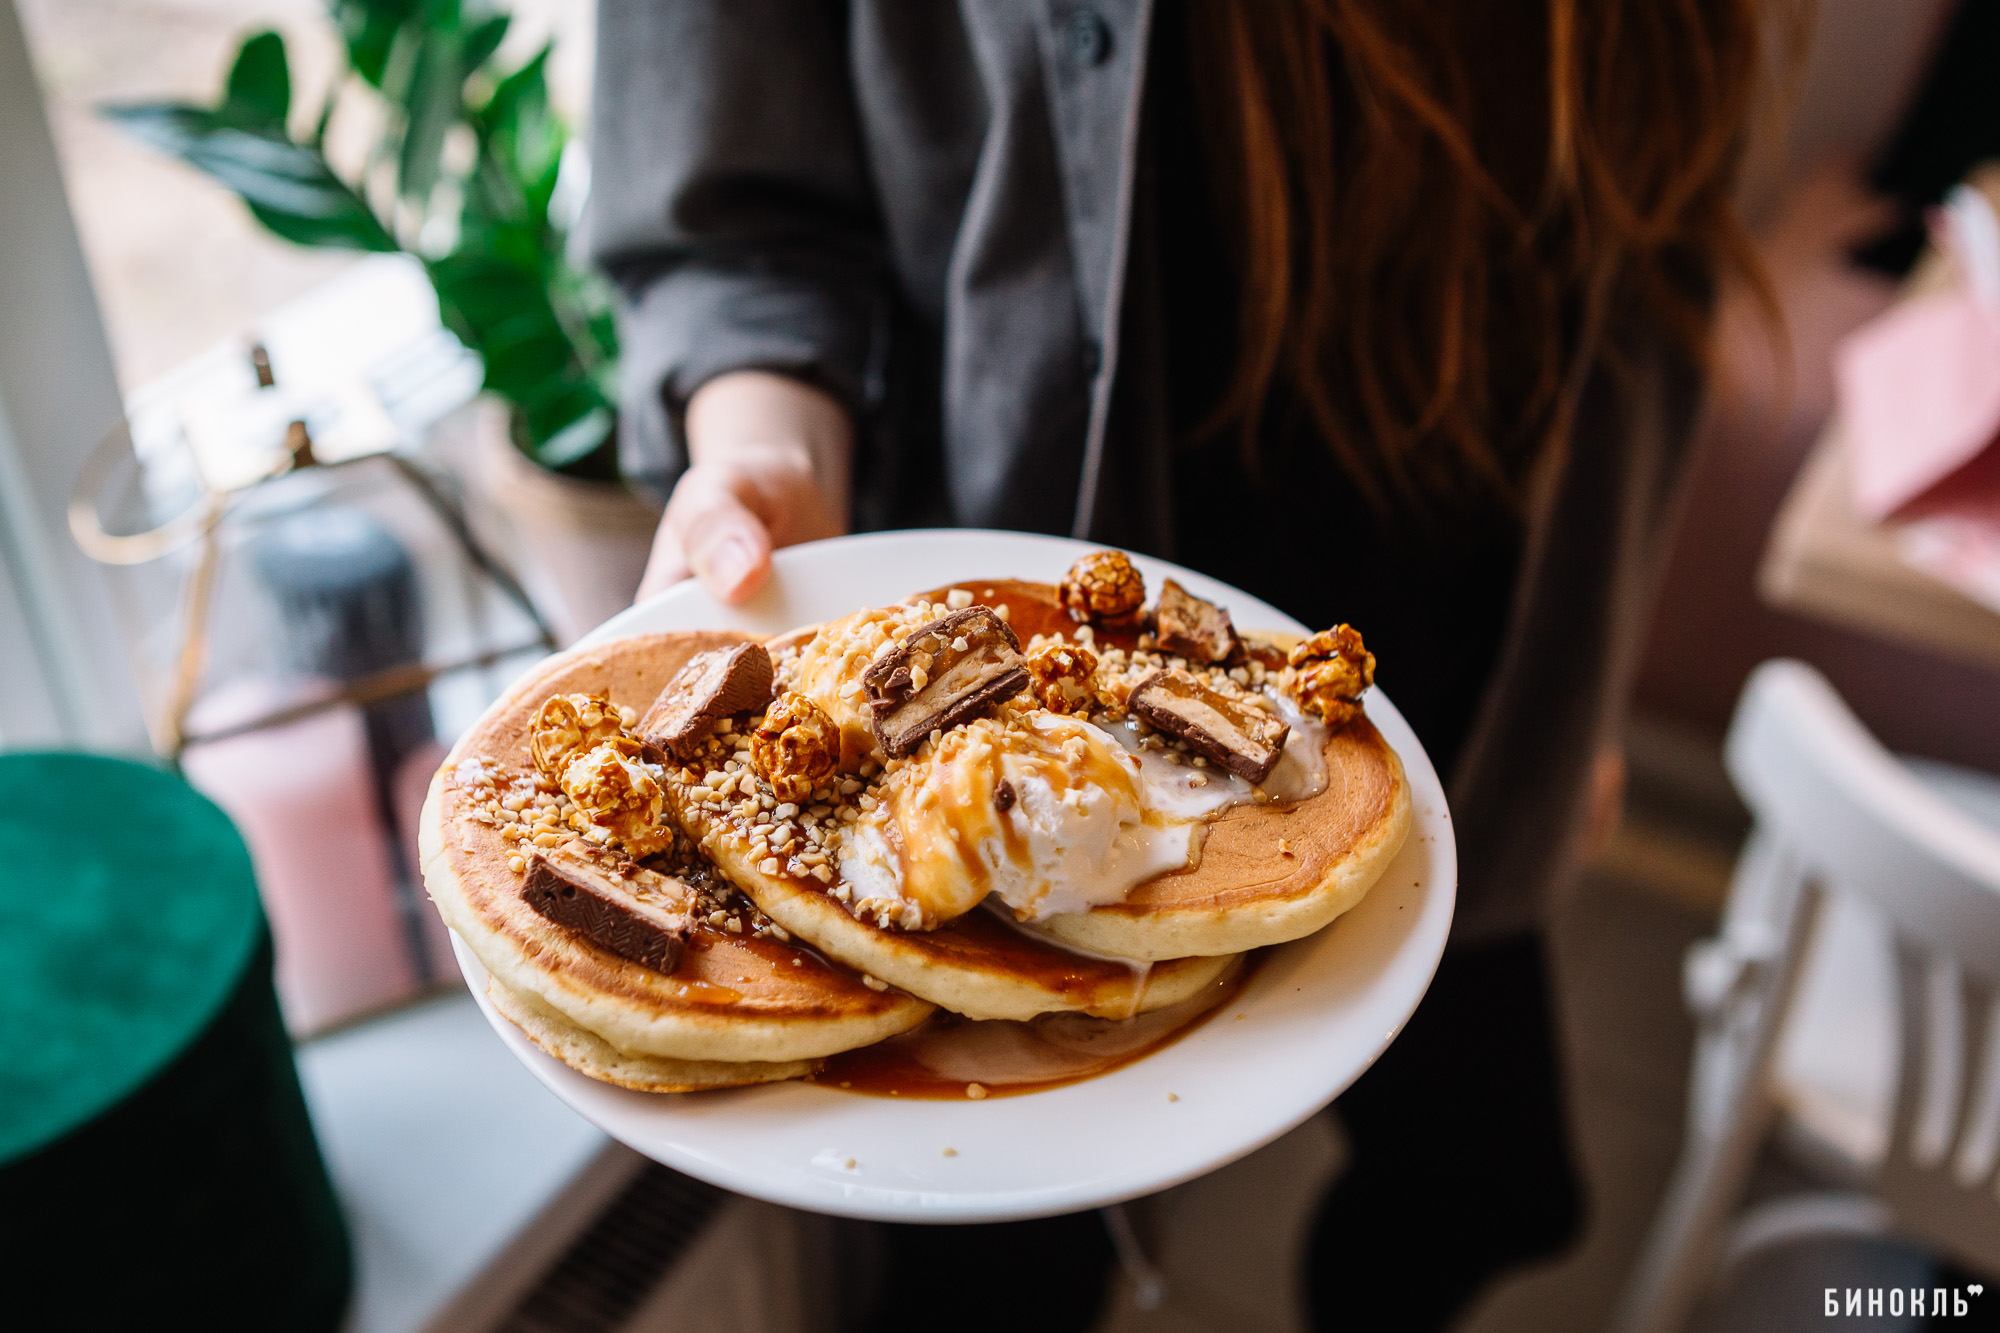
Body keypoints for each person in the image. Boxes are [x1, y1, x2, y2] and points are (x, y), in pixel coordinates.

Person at [587, 2, 1774, 1328]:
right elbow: (742, 214)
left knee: (1489, 1174)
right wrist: (772, 458)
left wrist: (1586, 668)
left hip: (1469, 628)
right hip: (1007, 668)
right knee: (1002, 1269)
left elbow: (1641, 255)